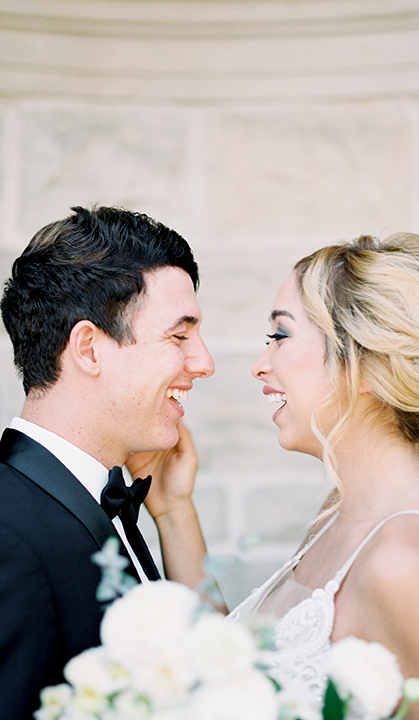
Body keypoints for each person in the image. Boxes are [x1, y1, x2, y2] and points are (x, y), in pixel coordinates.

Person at [227, 232, 419, 718]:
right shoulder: (338, 515)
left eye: (280, 336)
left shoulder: (406, 562)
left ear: (364, 360)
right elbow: (246, 681)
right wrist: (176, 512)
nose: (262, 365)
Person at [0, 205, 215, 720]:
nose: (203, 362)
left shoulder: (105, 499)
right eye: (179, 335)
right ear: (89, 349)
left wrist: (173, 511)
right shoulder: (8, 534)